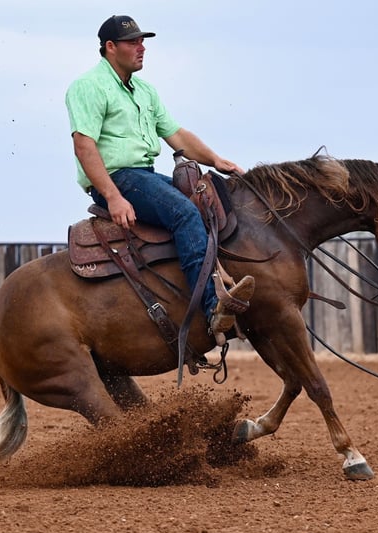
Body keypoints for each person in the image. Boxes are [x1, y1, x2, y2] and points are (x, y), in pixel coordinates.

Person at [65, 14, 254, 343]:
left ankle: (214, 280)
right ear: (110, 47)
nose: (141, 48)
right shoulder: (88, 87)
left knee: (206, 202)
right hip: (118, 178)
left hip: (144, 176)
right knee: (184, 212)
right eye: (133, 42)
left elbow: (176, 134)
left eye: (143, 42)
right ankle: (211, 308)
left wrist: (215, 160)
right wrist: (112, 196)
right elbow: (84, 146)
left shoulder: (145, 91)